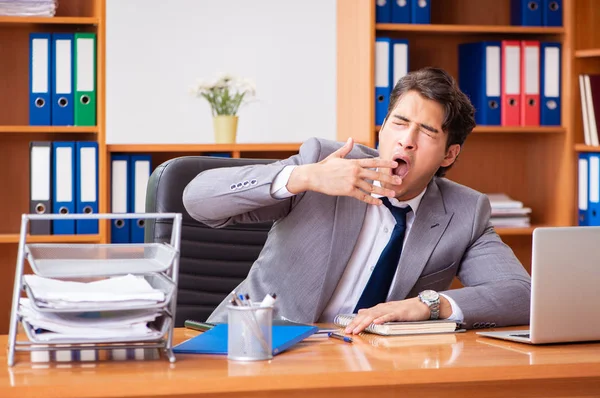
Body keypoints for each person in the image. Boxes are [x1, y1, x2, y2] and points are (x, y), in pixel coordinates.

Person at [182, 67, 531, 334]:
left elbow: (521, 295)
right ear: (383, 127)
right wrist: (305, 177)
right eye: (400, 122)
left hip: (363, 364)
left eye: (426, 132)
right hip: (255, 346)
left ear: (449, 154)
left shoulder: (464, 211)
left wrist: (429, 305)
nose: (406, 141)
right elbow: (197, 199)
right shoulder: (324, 162)